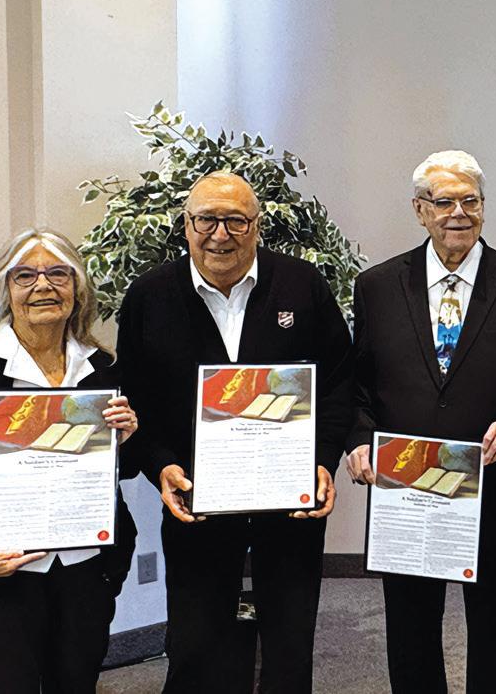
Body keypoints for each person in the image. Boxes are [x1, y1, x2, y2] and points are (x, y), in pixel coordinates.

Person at [116, 171, 355, 693]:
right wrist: (160, 465)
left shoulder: (301, 285)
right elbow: (133, 398)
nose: (220, 234)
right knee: (195, 640)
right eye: (206, 220)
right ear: (186, 225)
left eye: (236, 220)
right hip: (195, 500)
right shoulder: (150, 296)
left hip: (288, 500)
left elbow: (339, 381)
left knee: (290, 640)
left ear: (257, 225)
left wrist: (323, 459)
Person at [343, 150, 496, 694]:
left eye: (471, 201)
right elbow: (358, 385)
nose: (459, 213)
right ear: (420, 210)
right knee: (410, 628)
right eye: (444, 202)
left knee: (494, 628)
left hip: (493, 484)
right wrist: (359, 440)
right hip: (406, 488)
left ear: (484, 207)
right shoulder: (376, 287)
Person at [0, 228, 139, 693]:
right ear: (3, 288)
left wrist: (127, 436)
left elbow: (123, 470)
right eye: (25, 276)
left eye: (59, 274)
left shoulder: (100, 367)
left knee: (75, 683)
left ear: (77, 288)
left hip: (83, 568)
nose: (43, 286)